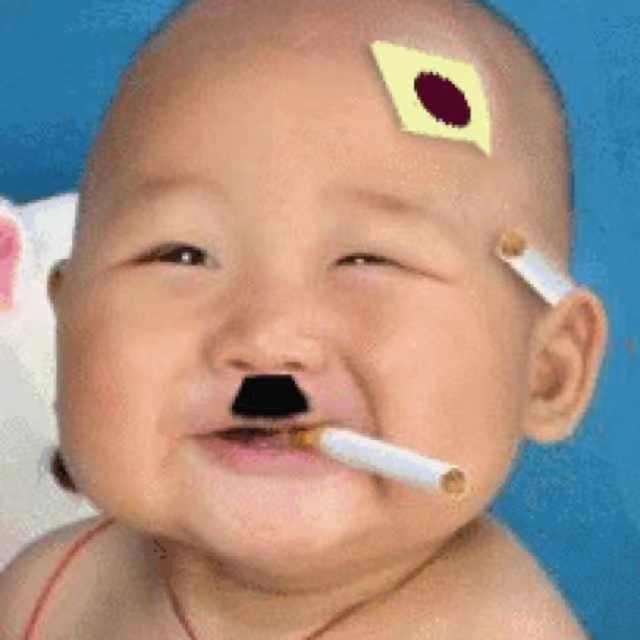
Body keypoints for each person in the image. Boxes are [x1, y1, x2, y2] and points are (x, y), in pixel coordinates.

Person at [0, 0, 608, 637]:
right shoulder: (50, 591)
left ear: (547, 371)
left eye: (367, 260)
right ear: (66, 324)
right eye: (181, 254)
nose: (267, 337)